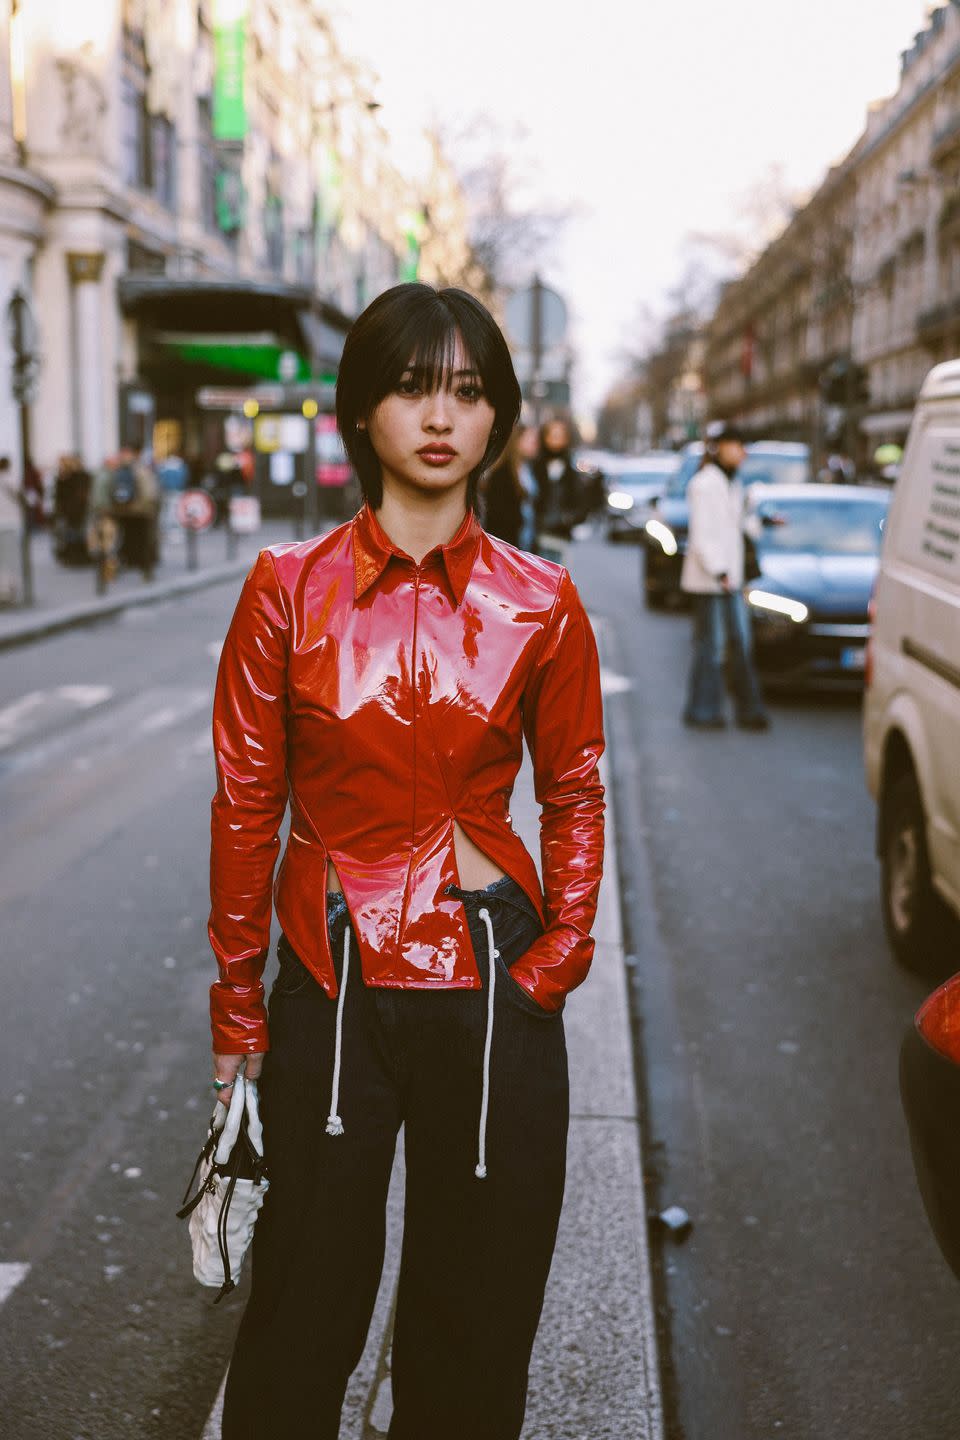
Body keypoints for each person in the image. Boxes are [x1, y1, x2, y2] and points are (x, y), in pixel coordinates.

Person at [208, 282, 606, 1440]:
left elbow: (574, 788)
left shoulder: (546, 602)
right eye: (412, 385)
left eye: (470, 393)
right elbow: (247, 803)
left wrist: (560, 958)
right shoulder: (286, 588)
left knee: (475, 1320)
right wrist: (240, 1011)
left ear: (499, 419)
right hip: (330, 990)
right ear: (362, 409)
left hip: (496, 989)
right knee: (298, 1314)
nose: (441, 416)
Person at [680, 419, 769, 731]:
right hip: (712, 579)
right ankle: (706, 710)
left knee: (735, 644)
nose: (743, 453)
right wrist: (719, 571)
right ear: (722, 449)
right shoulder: (704, 484)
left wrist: (764, 520)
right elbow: (702, 535)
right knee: (713, 646)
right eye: (738, 446)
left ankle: (737, 709)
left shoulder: (733, 483)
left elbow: (740, 525)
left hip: (728, 576)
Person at [531, 415, 586, 550]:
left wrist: (568, 519)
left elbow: (581, 503)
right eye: (552, 435)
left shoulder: (571, 471)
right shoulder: (534, 466)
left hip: (561, 536)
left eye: (560, 435)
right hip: (535, 535)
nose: (556, 439)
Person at [482, 422, 537, 549]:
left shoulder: (526, 468)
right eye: (530, 439)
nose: (535, 443)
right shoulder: (502, 474)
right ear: (516, 441)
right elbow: (499, 517)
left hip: (524, 538)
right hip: (508, 543)